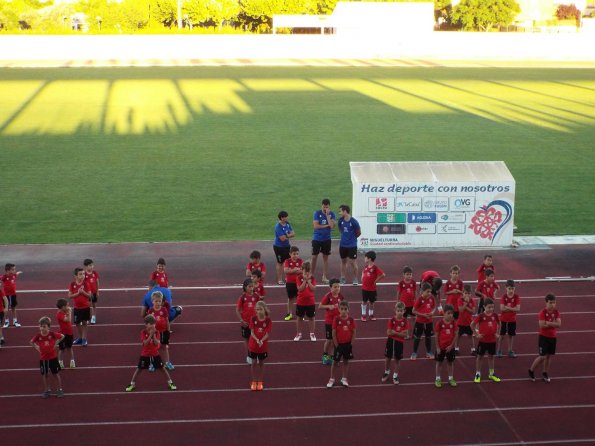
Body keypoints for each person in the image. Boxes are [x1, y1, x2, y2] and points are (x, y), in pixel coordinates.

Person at [125, 315, 177, 392]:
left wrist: (154, 335)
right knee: (139, 369)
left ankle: (170, 382)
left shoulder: (157, 332)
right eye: (151, 323)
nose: (153, 325)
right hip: (145, 355)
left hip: (155, 354)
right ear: (146, 324)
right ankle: (132, 384)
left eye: (154, 323)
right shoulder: (143, 332)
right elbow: (145, 343)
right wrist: (150, 335)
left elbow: (157, 344)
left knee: (162, 369)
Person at [528, 294, 561, 383]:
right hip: (544, 337)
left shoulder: (556, 312)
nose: (553, 305)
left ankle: (545, 372)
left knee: (549, 356)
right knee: (542, 356)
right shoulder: (542, 312)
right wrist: (552, 323)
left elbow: (559, 324)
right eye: (550, 303)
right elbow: (542, 326)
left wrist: (548, 323)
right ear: (546, 303)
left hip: (553, 337)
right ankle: (531, 370)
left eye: (554, 303)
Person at [30, 316, 65, 398]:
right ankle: (47, 390)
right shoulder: (38, 336)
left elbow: (62, 336)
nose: (42, 328)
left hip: (53, 358)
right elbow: (31, 342)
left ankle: (59, 389)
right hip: (43, 359)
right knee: (45, 375)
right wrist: (37, 347)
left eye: (44, 326)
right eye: (40, 326)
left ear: (48, 327)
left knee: (55, 374)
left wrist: (56, 343)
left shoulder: (52, 334)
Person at [471, 298, 501, 383]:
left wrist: (497, 333)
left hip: (492, 341)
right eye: (489, 307)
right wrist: (476, 334)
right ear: (484, 307)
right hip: (483, 341)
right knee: (480, 357)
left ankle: (491, 373)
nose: (491, 309)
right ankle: (478, 374)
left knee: (491, 357)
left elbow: (499, 323)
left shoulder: (495, 315)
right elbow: (472, 325)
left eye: (492, 307)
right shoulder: (481, 316)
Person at [327, 301, 356, 388]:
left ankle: (344, 378)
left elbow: (354, 332)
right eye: (342, 309)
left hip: (347, 344)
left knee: (346, 361)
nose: (343, 311)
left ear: (348, 310)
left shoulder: (351, 320)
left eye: (345, 309)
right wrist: (336, 345)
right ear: (339, 310)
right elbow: (333, 333)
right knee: (335, 362)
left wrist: (351, 344)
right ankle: (332, 379)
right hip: (338, 345)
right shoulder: (336, 319)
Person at [318, 278, 344, 365]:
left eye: (338, 287)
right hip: (329, 322)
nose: (337, 289)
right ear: (330, 287)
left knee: (334, 340)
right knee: (329, 340)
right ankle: (325, 355)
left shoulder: (341, 296)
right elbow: (320, 306)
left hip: (337, 322)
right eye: (335, 287)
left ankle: (333, 356)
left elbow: (343, 307)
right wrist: (329, 306)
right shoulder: (328, 296)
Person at [236, 278, 262, 364]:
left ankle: (256, 355)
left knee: (255, 339)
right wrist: (241, 320)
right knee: (246, 339)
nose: (251, 288)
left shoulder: (256, 296)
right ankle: (249, 355)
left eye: (252, 286)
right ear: (245, 287)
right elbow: (237, 310)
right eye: (249, 287)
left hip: (255, 323)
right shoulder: (242, 298)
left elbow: (260, 308)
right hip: (246, 323)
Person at [382, 302, 408, 385]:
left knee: (397, 359)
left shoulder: (405, 321)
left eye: (401, 311)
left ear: (404, 311)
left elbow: (405, 334)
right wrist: (399, 333)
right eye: (398, 311)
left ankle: (395, 375)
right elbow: (388, 333)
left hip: (399, 343)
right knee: (388, 358)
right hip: (390, 341)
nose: (399, 312)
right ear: (395, 311)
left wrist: (395, 332)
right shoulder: (391, 320)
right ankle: (386, 372)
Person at [311, 198, 336, 284]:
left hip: (327, 239)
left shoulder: (332, 214)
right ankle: (311, 275)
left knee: (325, 258)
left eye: (327, 207)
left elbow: (332, 226)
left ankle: (324, 276)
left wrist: (328, 216)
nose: (325, 208)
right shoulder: (317, 213)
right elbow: (316, 226)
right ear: (321, 205)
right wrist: (326, 225)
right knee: (314, 257)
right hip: (317, 238)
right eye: (324, 207)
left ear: (329, 206)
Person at [249, 301, 272, 391]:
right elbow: (252, 332)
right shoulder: (253, 319)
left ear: (264, 309)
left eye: (260, 309)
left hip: (262, 346)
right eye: (257, 309)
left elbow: (267, 333)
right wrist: (257, 340)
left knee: (261, 363)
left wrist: (261, 340)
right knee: (254, 363)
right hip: (254, 345)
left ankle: (260, 381)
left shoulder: (268, 320)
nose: (258, 311)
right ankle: (254, 381)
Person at [147, 292, 174, 371]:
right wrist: (149, 331)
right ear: (152, 301)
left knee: (164, 347)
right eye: (156, 301)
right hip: (154, 333)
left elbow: (167, 320)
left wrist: (168, 330)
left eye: (159, 301)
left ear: (162, 302)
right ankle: (152, 364)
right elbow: (149, 322)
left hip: (163, 331)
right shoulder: (150, 311)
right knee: (153, 348)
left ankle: (167, 362)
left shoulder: (164, 310)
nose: (158, 303)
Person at [434, 305, 459, 388]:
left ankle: (451, 378)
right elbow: (436, 336)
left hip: (450, 348)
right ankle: (438, 378)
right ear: (444, 313)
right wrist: (437, 347)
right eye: (448, 313)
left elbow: (456, 335)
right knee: (439, 363)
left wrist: (451, 346)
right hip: (441, 347)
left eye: (452, 313)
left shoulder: (453, 323)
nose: (451, 315)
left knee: (450, 363)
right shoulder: (439, 323)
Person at [67, 267, 93, 346]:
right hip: (77, 308)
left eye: (83, 274)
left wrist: (83, 292)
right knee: (77, 323)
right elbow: (69, 296)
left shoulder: (86, 284)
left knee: (84, 323)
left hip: (85, 307)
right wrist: (78, 293)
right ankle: (80, 337)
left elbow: (90, 296)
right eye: (80, 274)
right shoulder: (72, 284)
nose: (82, 276)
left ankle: (84, 339)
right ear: (76, 276)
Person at [411, 282, 436, 360]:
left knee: (428, 337)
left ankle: (428, 352)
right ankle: (414, 353)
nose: (429, 293)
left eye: (430, 291)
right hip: (420, 322)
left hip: (429, 321)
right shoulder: (419, 299)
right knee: (417, 337)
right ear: (422, 291)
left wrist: (432, 312)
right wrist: (423, 315)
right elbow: (413, 311)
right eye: (427, 291)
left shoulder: (431, 298)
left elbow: (434, 307)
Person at [337, 204, 361, 285]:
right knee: (343, 261)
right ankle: (342, 278)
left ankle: (355, 279)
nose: (339, 213)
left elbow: (358, 233)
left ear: (345, 211)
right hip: (343, 245)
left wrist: (352, 239)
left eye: (340, 211)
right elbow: (341, 229)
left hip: (352, 245)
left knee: (352, 262)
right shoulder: (340, 220)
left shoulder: (354, 222)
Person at [497, 280, 521, 358]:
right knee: (502, 336)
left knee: (511, 336)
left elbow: (518, 309)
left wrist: (507, 307)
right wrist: (512, 308)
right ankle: (499, 350)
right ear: (506, 288)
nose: (511, 290)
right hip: (504, 320)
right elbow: (502, 309)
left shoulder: (516, 297)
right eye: (509, 288)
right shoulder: (504, 297)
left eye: (512, 289)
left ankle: (510, 350)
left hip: (512, 320)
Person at [294, 262, 317, 342]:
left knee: (311, 318)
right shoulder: (298, 278)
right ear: (302, 270)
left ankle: (312, 333)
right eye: (305, 272)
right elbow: (300, 289)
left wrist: (309, 281)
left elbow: (313, 288)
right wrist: (305, 280)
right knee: (300, 318)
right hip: (300, 302)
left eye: (309, 272)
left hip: (310, 302)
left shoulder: (313, 278)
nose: (307, 273)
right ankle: (299, 333)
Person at [360, 251, 385, 322]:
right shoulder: (365, 267)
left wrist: (376, 281)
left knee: (371, 302)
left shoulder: (375, 268)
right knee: (364, 301)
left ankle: (371, 315)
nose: (364, 259)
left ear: (369, 259)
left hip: (372, 289)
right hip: (364, 288)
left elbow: (383, 275)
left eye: (365, 257)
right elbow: (363, 272)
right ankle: (363, 315)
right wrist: (362, 277)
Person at [273, 211, 295, 285]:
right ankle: (279, 279)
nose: (287, 218)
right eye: (285, 217)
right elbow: (282, 239)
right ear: (282, 218)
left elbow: (293, 234)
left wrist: (286, 236)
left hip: (287, 246)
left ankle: (287, 278)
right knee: (280, 262)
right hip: (279, 247)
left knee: (288, 261)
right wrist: (289, 235)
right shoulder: (278, 226)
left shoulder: (287, 224)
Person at [283, 246, 303, 321]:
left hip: (299, 283)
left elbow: (302, 271)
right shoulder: (287, 261)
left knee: (299, 298)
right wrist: (295, 269)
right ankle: (289, 313)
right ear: (290, 254)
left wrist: (291, 270)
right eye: (294, 254)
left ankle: (299, 313)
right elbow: (286, 271)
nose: (295, 256)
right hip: (290, 283)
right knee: (290, 298)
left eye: (297, 254)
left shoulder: (300, 261)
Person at [456, 285, 476, 356]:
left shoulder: (472, 300)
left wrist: (465, 306)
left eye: (469, 293)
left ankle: (473, 349)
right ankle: (456, 349)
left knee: (471, 336)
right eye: (465, 293)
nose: (467, 295)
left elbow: (473, 311)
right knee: (458, 336)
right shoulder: (460, 300)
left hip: (469, 322)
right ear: (463, 293)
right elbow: (461, 310)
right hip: (460, 322)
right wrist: (466, 303)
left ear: (471, 294)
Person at [396, 266, 416, 339]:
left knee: (414, 319)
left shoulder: (413, 282)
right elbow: (398, 292)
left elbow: (414, 292)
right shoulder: (401, 283)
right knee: (404, 320)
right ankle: (406, 334)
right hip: (403, 305)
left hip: (412, 304)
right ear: (403, 275)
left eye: (410, 274)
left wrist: (415, 301)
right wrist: (398, 301)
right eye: (407, 274)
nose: (409, 276)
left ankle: (415, 334)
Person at [56, 298, 75, 369]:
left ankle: (72, 361)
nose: (68, 307)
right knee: (62, 349)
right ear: (63, 307)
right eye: (67, 306)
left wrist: (67, 312)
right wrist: (70, 312)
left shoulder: (64, 311)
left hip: (69, 333)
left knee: (69, 348)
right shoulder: (59, 314)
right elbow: (68, 320)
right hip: (63, 335)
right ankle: (60, 362)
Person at [2, 263, 22, 328]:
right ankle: (6, 321)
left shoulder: (13, 276)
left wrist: (18, 273)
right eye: (13, 269)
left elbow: (16, 275)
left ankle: (15, 321)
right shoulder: (4, 277)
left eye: (14, 269)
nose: (14, 271)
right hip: (6, 296)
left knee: (13, 308)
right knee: (6, 309)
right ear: (8, 271)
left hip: (13, 295)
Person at [83, 259, 100, 325]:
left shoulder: (95, 273)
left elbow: (97, 282)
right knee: (86, 305)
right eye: (90, 265)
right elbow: (82, 283)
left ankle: (93, 317)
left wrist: (98, 291)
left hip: (94, 292)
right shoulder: (84, 274)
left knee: (94, 305)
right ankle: (86, 318)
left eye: (92, 265)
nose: (92, 266)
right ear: (86, 266)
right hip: (87, 293)